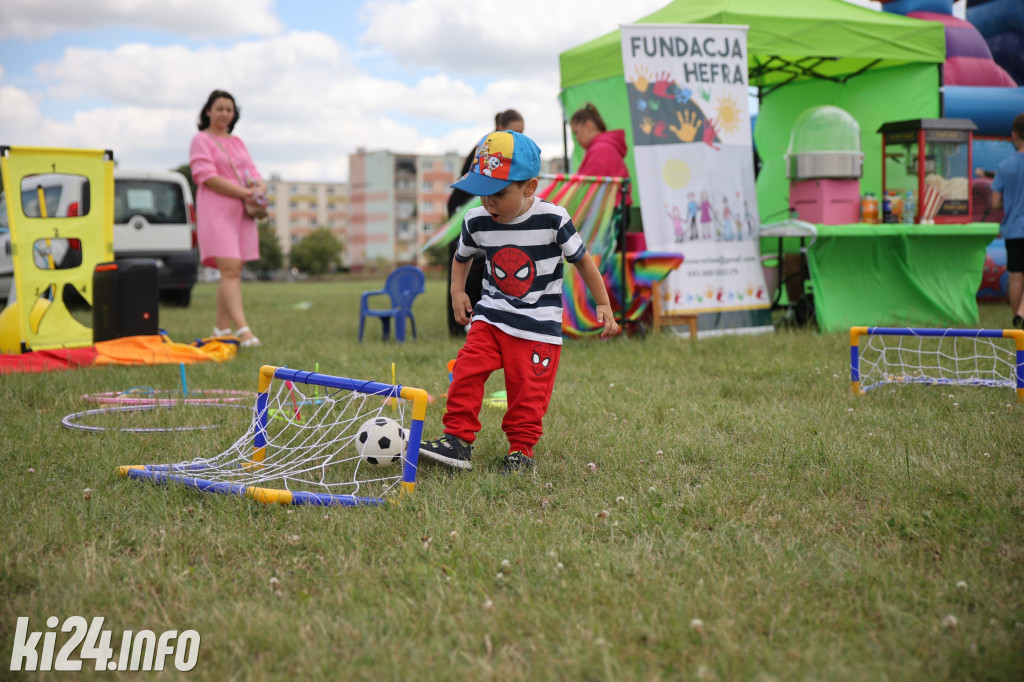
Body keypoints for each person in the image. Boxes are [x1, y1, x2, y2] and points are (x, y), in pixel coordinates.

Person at [420, 130, 619, 474]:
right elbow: (462, 257)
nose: (488, 203)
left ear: (529, 187)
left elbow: (583, 260)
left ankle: (521, 451)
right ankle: (457, 441)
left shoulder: (553, 220)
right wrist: (457, 291)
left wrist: (602, 303)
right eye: (481, 192)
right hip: (491, 317)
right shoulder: (476, 220)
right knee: (466, 371)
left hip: (538, 328)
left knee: (527, 394)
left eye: (498, 193)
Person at [188, 89, 266, 347]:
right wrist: (246, 191)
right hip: (216, 210)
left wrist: (259, 188)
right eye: (219, 108)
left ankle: (222, 328)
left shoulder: (238, 142)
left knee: (233, 269)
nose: (224, 113)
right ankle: (243, 330)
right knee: (230, 267)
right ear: (208, 111)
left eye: (229, 109)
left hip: (241, 214)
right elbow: (205, 176)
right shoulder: (201, 139)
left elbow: (253, 172)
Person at [444, 109, 525, 337]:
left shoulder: (512, 151)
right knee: (463, 265)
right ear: (499, 128)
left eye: (522, 132)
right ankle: (458, 326)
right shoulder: (489, 147)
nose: (519, 137)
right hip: (461, 211)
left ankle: (481, 322)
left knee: (481, 271)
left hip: (482, 211)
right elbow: (470, 187)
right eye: (514, 131)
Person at [992, 112, 1024, 328]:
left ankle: (1019, 326)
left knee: (1015, 276)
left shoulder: (1004, 166)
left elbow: (995, 203)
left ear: (1014, 135)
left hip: (1013, 229)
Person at [569, 102, 629, 179]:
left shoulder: (600, 149)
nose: (576, 138)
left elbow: (583, 186)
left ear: (588, 126)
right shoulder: (605, 147)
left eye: (576, 132)